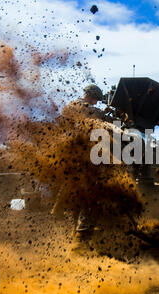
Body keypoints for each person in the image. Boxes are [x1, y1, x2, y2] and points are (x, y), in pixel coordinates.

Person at [52, 84, 105, 241]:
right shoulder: (81, 105)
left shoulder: (69, 106)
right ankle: (83, 233)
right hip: (83, 155)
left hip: (71, 154)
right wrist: (106, 114)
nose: (96, 102)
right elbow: (94, 113)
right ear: (91, 95)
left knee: (75, 192)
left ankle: (66, 217)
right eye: (96, 99)